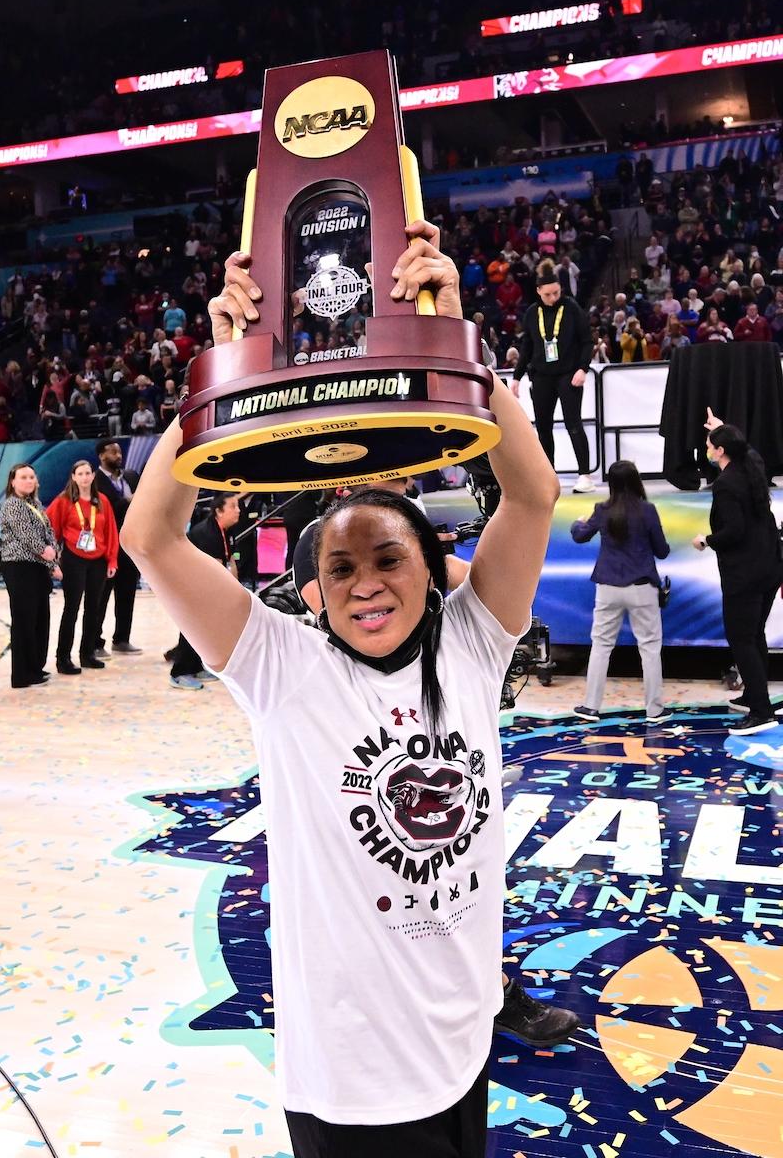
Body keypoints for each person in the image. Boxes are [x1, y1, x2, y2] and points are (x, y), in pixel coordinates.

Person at [121, 220, 565, 1157]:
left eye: (388, 556)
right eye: (342, 566)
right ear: (312, 591)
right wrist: (221, 371)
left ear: (432, 562)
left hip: (462, 1047)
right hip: (349, 1086)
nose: (366, 582)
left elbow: (528, 496)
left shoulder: (473, 645)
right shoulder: (281, 666)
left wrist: (458, 341)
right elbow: (152, 539)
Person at [292, 475, 580, 1050]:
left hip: (430, 695)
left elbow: (483, 582)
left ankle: (486, 990)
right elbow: (338, 611)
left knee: (458, 871)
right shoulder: (317, 539)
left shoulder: (410, 526)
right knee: (390, 876)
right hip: (358, 717)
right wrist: (419, 566)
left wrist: (429, 559)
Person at [692, 411, 783, 736]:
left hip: (745, 574)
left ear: (719, 451)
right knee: (754, 633)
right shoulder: (752, 466)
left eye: (709, 443)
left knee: (742, 638)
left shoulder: (727, 485)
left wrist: (706, 540)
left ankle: (761, 711)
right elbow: (749, 450)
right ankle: (755, 696)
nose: (706, 447)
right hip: (770, 566)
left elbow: (734, 530)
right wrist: (721, 429)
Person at [571, 461, 671, 724]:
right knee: (649, 648)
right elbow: (662, 551)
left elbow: (580, 536)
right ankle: (654, 710)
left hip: (608, 588)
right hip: (642, 588)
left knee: (601, 646)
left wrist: (576, 523)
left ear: (611, 484)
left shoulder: (601, 510)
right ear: (637, 481)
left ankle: (591, 706)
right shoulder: (648, 511)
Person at [513, 258, 595, 493]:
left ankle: (585, 476)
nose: (553, 298)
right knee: (544, 428)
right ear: (538, 291)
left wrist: (583, 368)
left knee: (574, 424)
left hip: (569, 374)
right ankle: (549, 477)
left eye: (556, 292)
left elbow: (587, 341)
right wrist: (517, 377)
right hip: (541, 376)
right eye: (548, 294)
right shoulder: (531, 313)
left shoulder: (570, 307)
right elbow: (527, 347)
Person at [46, 460, 118, 675]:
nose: (85, 477)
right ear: (74, 477)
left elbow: (111, 532)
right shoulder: (64, 501)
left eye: (88, 473)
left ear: (93, 476)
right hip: (74, 559)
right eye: (81, 473)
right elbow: (50, 529)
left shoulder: (102, 501)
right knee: (72, 608)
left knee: (94, 609)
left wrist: (112, 560)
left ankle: (87, 654)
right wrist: (52, 559)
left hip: (98, 561)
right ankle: (63, 658)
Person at [169, 493, 242, 690]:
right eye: (233, 506)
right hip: (188, 583)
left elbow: (230, 561)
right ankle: (179, 672)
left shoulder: (225, 530)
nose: (238, 510)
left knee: (205, 630)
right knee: (192, 627)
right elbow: (215, 571)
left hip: (204, 584)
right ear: (219, 511)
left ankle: (194, 666)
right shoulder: (207, 534)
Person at [0, 464, 60, 688]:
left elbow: (49, 532)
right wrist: (46, 552)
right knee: (24, 620)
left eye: (31, 477)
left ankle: (35, 668)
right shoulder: (13, 505)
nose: (28, 480)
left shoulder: (36, 504)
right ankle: (21, 675)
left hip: (37, 567)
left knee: (39, 619)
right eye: (23, 477)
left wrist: (52, 557)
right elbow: (27, 534)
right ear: (13, 482)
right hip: (19, 567)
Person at [94, 440, 142, 658]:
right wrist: (129, 500)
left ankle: (122, 639)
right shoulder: (94, 481)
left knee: (127, 594)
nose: (118, 455)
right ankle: (95, 642)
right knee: (101, 597)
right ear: (101, 455)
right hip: (106, 546)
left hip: (129, 545)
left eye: (119, 451)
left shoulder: (130, 477)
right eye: (113, 452)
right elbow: (107, 509)